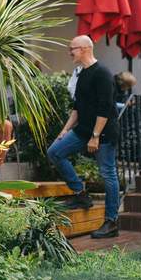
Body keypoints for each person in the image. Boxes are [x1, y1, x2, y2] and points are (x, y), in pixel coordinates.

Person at [47, 35, 120, 239]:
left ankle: (111, 221)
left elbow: (105, 108)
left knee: (108, 173)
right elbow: (77, 108)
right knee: (55, 152)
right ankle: (81, 194)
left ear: (85, 49)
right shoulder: (82, 74)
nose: (70, 52)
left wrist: (96, 136)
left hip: (103, 131)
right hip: (83, 130)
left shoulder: (102, 74)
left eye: (72, 49)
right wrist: (64, 131)